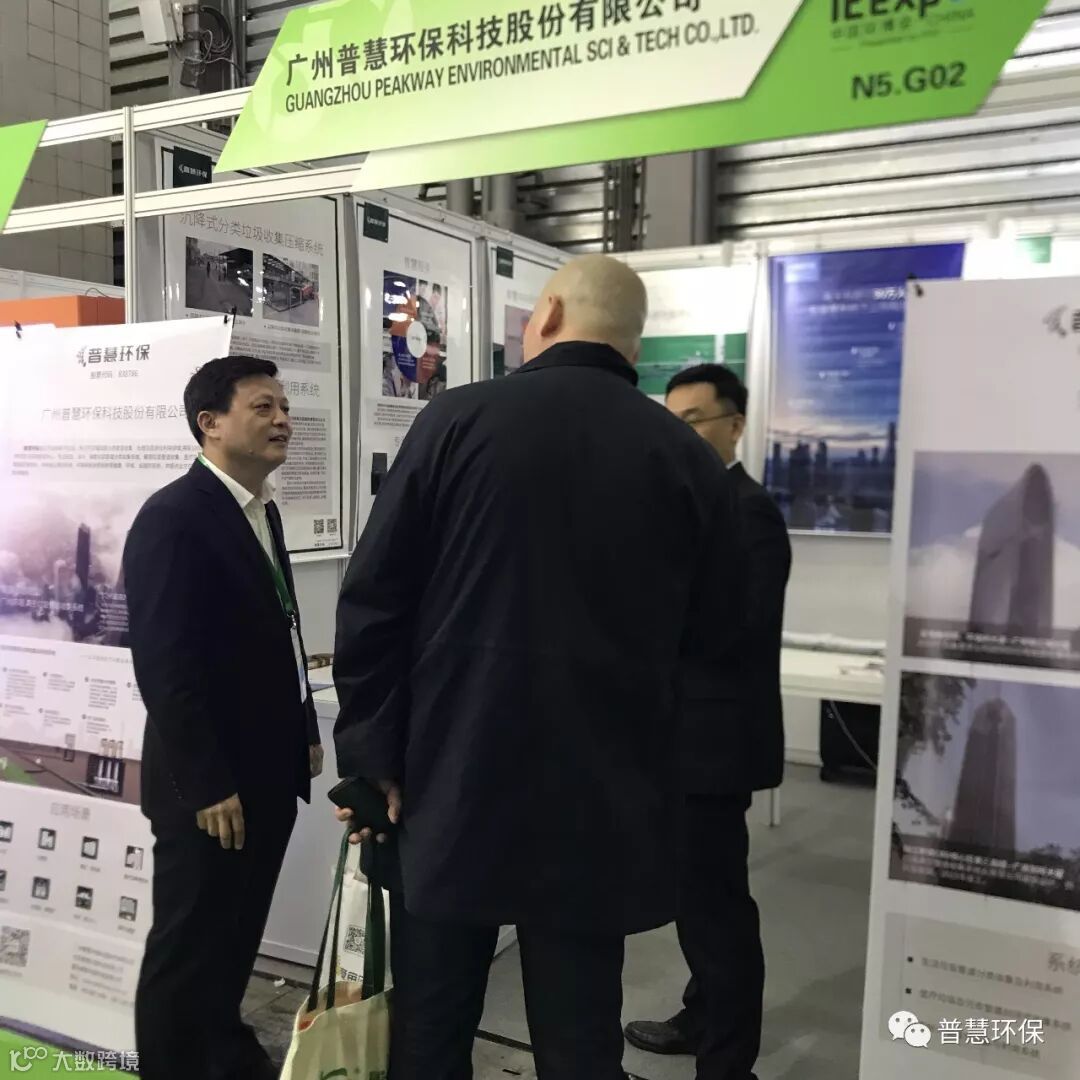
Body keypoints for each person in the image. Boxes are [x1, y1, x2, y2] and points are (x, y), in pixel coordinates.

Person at [333, 255, 746, 1080]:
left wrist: (373, 758)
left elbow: (376, 600)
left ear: (548, 315)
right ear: (634, 344)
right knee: (580, 1035)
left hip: (449, 782)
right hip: (601, 798)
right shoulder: (688, 458)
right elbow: (715, 644)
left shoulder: (456, 420)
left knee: (431, 1023)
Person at [123, 355, 323, 1080]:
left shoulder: (260, 509)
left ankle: (223, 1053)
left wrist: (303, 726)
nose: (283, 421)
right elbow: (166, 666)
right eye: (263, 407)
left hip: (266, 771)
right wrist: (208, 784)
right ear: (209, 423)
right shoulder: (174, 518)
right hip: (209, 788)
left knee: (235, 935)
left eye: (283, 408)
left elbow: (281, 629)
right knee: (188, 948)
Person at [625, 364, 792, 1080]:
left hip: (715, 744)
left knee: (716, 906)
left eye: (694, 420)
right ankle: (703, 1016)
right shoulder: (694, 503)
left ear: (735, 425)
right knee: (696, 896)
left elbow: (732, 631)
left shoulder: (748, 511)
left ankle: (728, 1063)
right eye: (672, 420)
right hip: (682, 738)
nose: (681, 434)